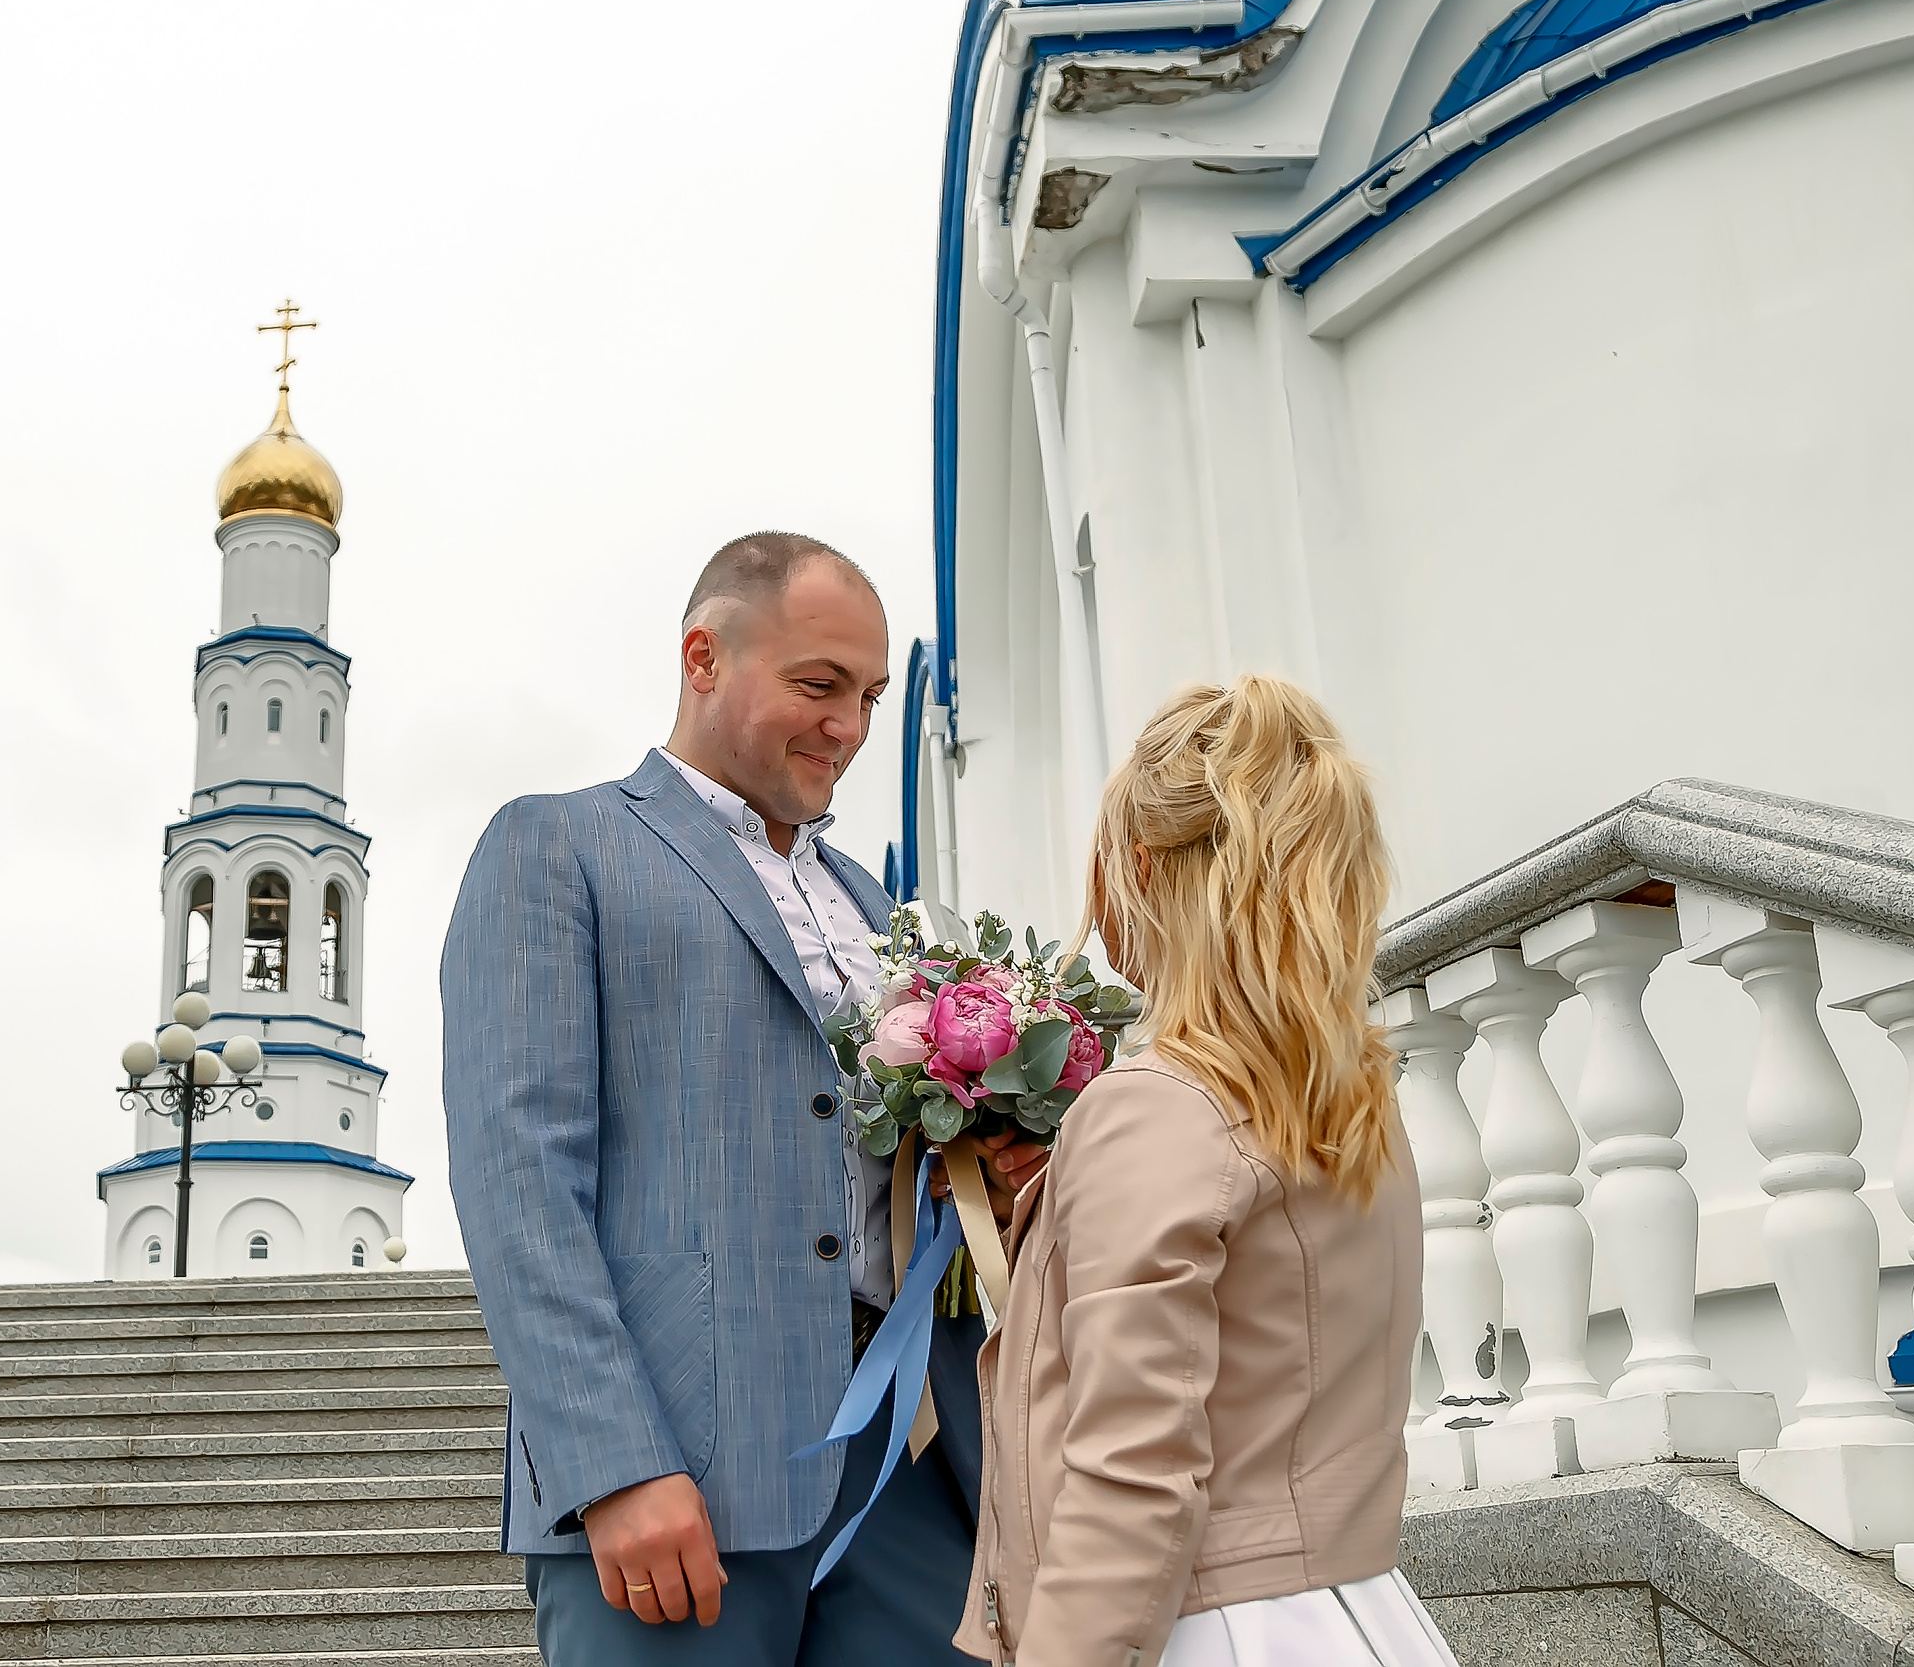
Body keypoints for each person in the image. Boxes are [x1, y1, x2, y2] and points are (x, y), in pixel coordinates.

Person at [444, 532, 1040, 1666]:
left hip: (911, 1456)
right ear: (703, 657)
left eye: (866, 694)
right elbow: (518, 1177)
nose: (851, 728)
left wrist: (992, 1172)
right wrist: (614, 1462)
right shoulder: (557, 844)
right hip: (681, 1469)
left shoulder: (874, 902)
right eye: (818, 686)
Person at [957, 676, 1456, 1667]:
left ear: (1142, 868)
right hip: (1360, 1617)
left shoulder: (1157, 1107)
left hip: (1209, 1630)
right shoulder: (1349, 1101)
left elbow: (1133, 1476)